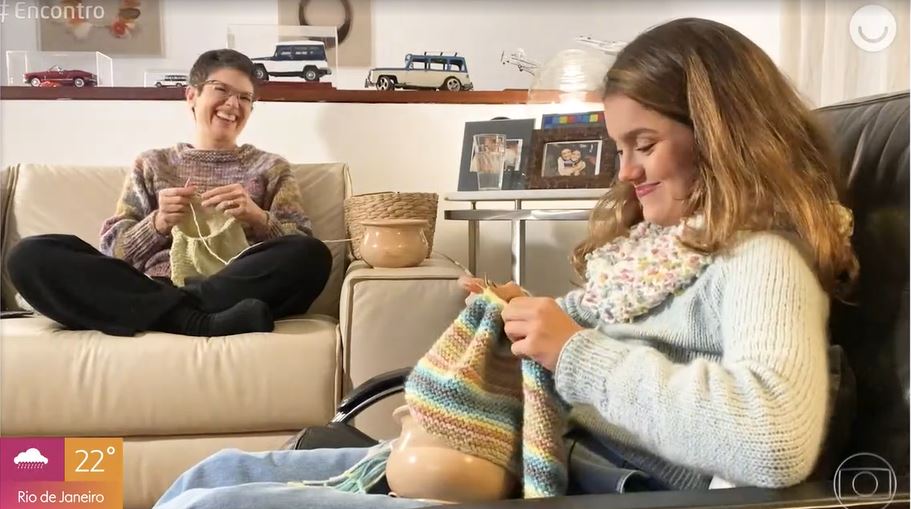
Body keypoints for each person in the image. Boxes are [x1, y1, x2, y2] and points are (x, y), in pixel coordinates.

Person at [152, 17, 857, 508]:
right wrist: (526, 314)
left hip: (579, 483)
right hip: (529, 455)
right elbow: (593, 332)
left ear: (720, 134)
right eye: (620, 146)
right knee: (210, 473)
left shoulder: (761, 258)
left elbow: (774, 442)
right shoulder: (661, 248)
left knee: (208, 502)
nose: (628, 171)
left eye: (643, 142)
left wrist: (573, 352)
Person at [7, 49, 332, 337]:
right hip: (149, 286)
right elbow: (113, 252)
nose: (233, 104)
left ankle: (174, 313)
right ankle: (198, 322)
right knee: (29, 256)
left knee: (313, 255)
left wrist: (257, 218)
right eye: (221, 90)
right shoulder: (152, 164)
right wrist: (158, 223)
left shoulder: (271, 167)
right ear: (191, 95)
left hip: (230, 288)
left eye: (245, 98)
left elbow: (300, 239)